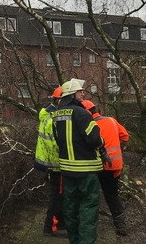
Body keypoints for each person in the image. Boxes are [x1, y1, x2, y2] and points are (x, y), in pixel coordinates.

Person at [53, 79, 110, 244]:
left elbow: (58, 140)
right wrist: (102, 143)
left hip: (67, 170)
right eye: (80, 92)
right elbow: (94, 139)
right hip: (86, 170)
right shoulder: (82, 113)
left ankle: (75, 240)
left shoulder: (56, 115)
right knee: (88, 208)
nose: (83, 94)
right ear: (72, 95)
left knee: (70, 207)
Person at [82, 99, 129, 236]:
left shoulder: (88, 125)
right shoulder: (111, 120)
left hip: (96, 166)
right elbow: (125, 137)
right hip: (115, 166)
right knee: (112, 195)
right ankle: (121, 227)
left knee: (91, 195)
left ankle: (91, 227)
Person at [34, 86, 67, 238]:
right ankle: (51, 228)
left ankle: (57, 225)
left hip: (50, 163)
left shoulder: (48, 114)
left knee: (57, 195)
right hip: (55, 164)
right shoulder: (53, 117)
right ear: (58, 100)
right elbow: (54, 143)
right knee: (57, 196)